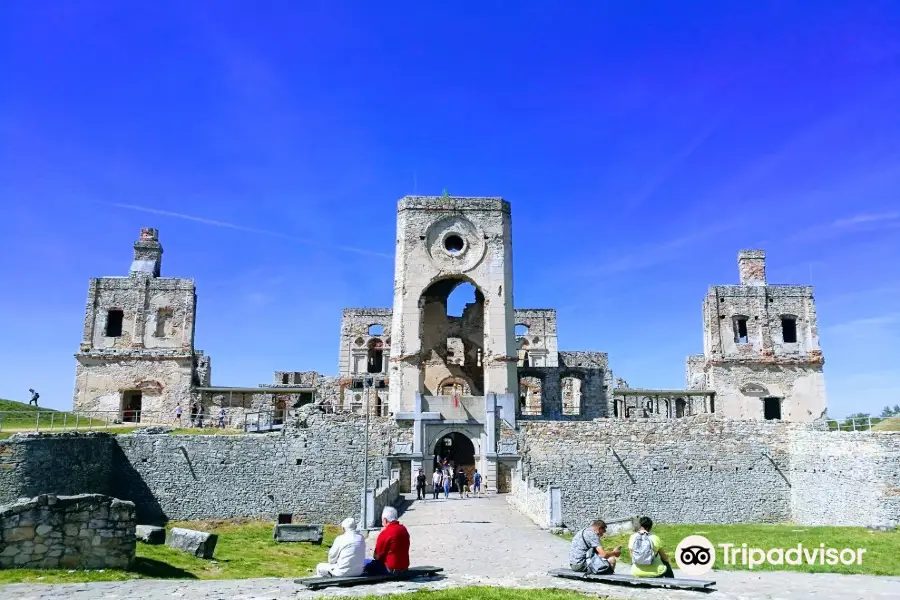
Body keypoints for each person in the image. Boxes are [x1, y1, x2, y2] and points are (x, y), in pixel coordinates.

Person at [363, 506, 409, 575]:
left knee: (364, 562)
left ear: (385, 520)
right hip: (404, 567)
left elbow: (377, 556)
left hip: (389, 568)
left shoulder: (385, 533)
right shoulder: (403, 529)